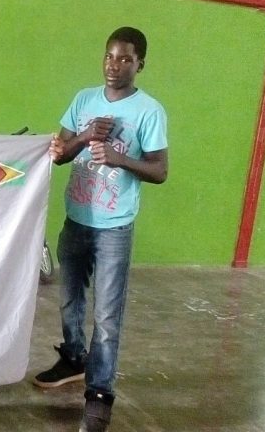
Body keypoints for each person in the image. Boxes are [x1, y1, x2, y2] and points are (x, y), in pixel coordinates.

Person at [39, 27, 168, 432]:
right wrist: (84, 135)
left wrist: (117, 156)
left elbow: (160, 171)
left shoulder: (150, 111)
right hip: (77, 219)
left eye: (125, 59)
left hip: (114, 227)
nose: (115, 65)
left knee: (108, 316)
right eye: (110, 57)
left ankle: (99, 393)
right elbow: (59, 156)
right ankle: (73, 357)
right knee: (69, 301)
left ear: (140, 64)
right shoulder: (83, 99)